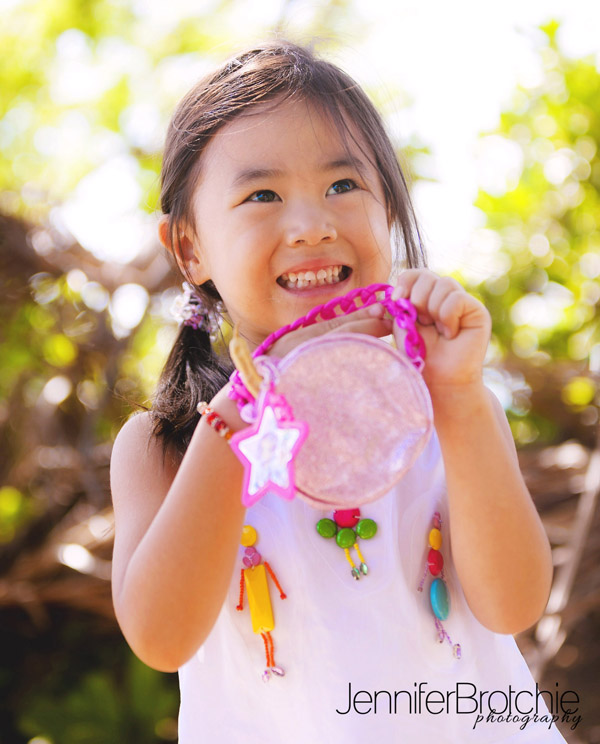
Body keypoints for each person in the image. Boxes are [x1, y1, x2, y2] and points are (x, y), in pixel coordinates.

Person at [110, 41, 570, 742]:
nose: (314, 225)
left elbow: (513, 605)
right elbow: (161, 638)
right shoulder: (167, 446)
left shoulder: (445, 408)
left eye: (343, 186)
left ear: (387, 210)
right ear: (190, 249)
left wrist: (462, 397)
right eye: (261, 195)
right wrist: (240, 423)